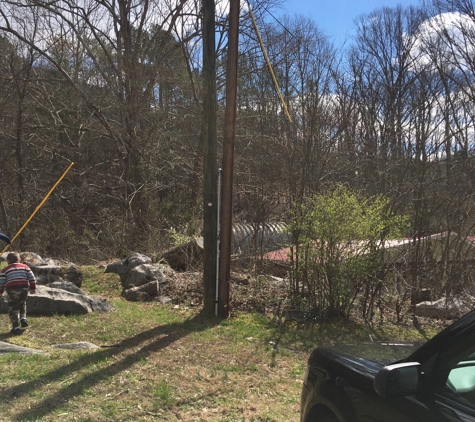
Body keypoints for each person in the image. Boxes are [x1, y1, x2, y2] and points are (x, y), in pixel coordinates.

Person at [0, 252, 36, 335]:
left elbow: (1, 283)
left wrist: (0, 292)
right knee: (22, 303)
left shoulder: (5, 269)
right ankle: (23, 318)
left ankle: (16, 327)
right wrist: (33, 288)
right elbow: (32, 278)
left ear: (7, 261)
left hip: (12, 290)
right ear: (19, 260)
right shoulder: (25, 267)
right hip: (24, 288)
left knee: (13, 308)